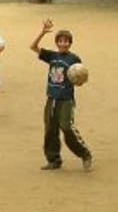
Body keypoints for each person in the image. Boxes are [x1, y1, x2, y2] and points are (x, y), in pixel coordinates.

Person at [30, 18, 92, 171]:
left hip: (65, 100)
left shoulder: (74, 59)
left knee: (67, 127)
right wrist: (42, 32)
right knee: (50, 128)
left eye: (66, 41)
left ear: (70, 43)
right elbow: (33, 47)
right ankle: (54, 159)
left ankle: (85, 154)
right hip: (52, 98)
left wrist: (80, 80)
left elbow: (80, 78)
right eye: (60, 41)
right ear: (57, 42)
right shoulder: (52, 56)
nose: (63, 44)